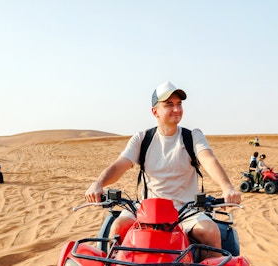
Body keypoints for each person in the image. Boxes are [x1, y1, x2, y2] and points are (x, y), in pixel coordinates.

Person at [85, 81, 240, 256]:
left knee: (210, 231)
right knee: (118, 227)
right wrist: (98, 183)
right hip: (146, 209)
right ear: (155, 111)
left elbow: (208, 160)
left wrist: (227, 187)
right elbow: (119, 166)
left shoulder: (192, 137)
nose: (177, 109)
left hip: (184, 210)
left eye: (179, 104)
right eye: (169, 105)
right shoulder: (142, 139)